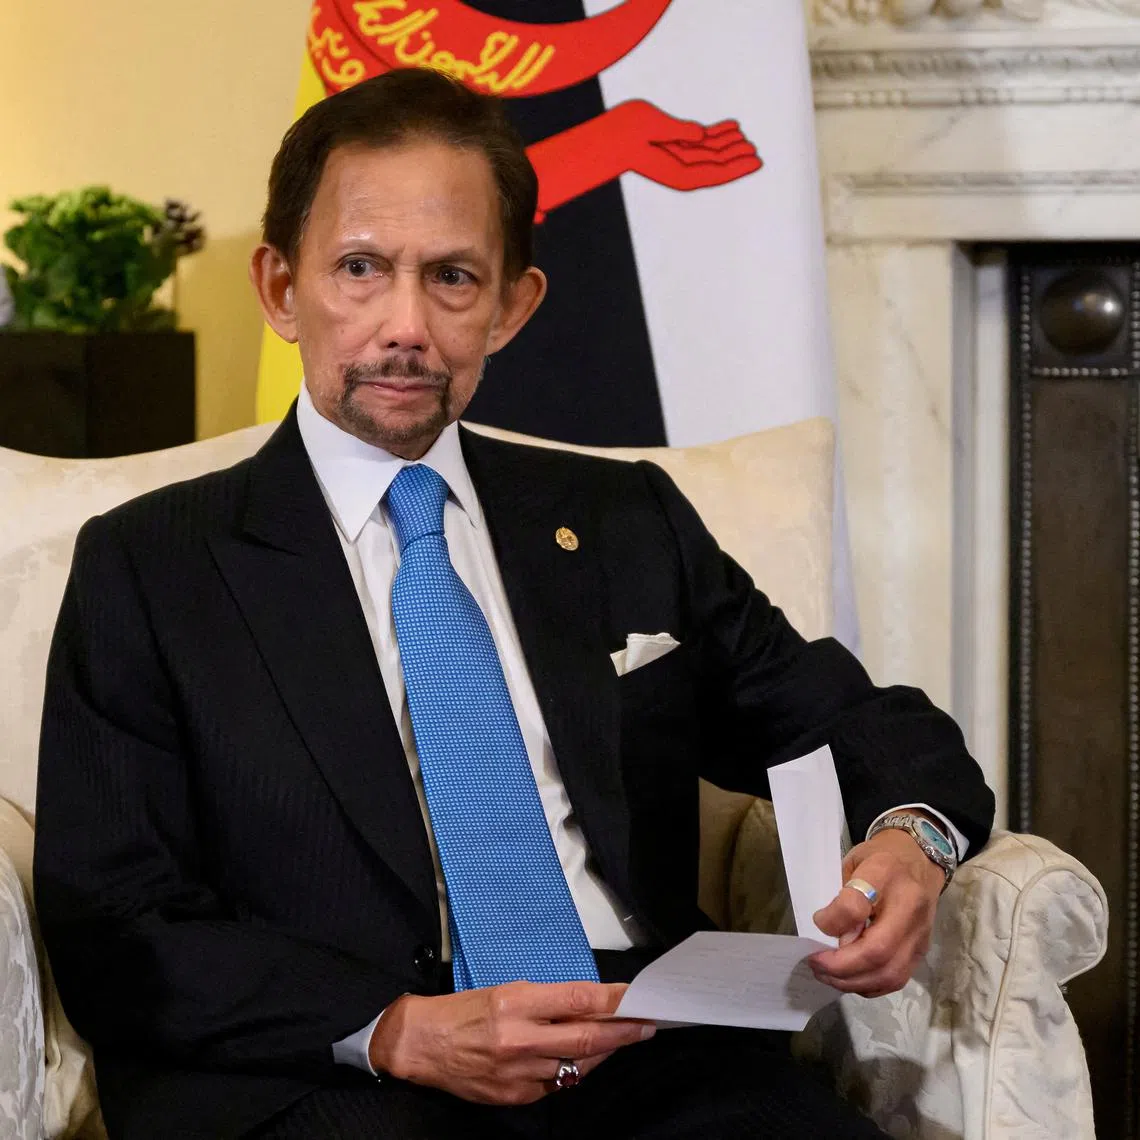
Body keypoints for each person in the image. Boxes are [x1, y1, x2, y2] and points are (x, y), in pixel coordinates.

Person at [34, 68, 994, 1140]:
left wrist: (915, 839)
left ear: (511, 305)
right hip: (334, 1069)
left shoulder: (623, 515)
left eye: (451, 277)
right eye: (360, 269)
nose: (404, 326)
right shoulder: (151, 564)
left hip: (641, 1049)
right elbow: (111, 920)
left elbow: (845, 716)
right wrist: (391, 1027)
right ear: (281, 288)